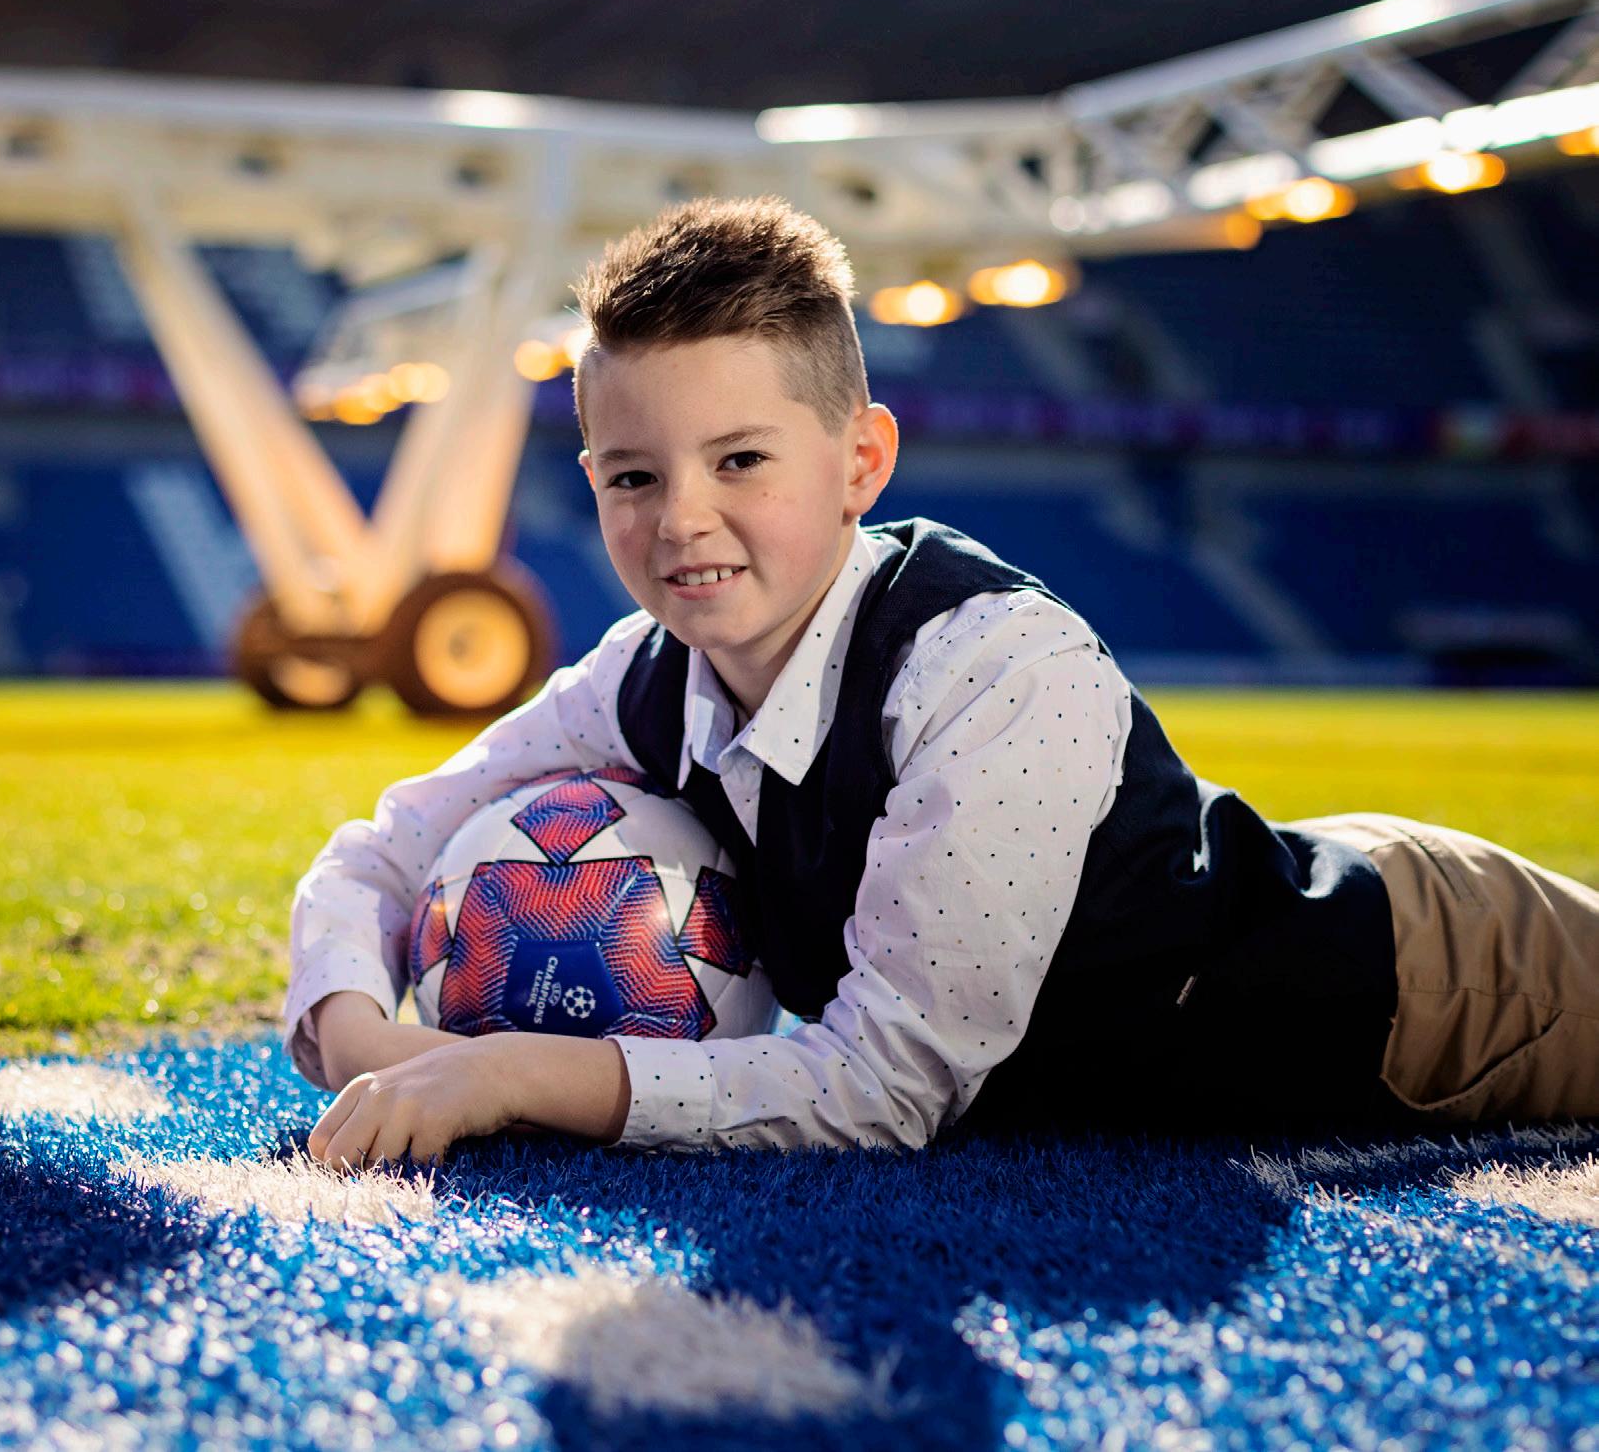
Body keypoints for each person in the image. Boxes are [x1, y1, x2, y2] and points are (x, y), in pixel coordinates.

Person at [285, 195, 1599, 1171]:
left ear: (862, 461)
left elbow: (884, 1088)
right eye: (635, 474)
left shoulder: (991, 669)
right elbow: (384, 848)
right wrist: (353, 1029)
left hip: (1436, 979)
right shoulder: (643, 676)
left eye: (741, 460)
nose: (681, 518)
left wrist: (509, 1072)